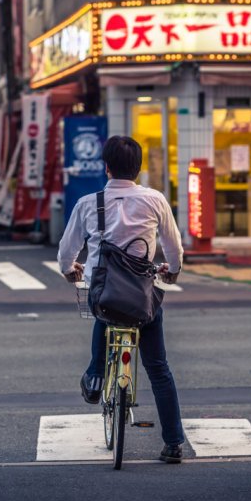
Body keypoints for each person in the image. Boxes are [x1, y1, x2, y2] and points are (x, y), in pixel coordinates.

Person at [57, 136, 185, 464]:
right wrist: (172, 272)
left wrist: (71, 270)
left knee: (103, 311)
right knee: (158, 367)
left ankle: (96, 373)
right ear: (139, 169)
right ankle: (173, 443)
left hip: (104, 294)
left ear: (107, 167)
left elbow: (66, 252)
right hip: (143, 297)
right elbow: (174, 248)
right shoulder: (155, 200)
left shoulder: (89, 203)